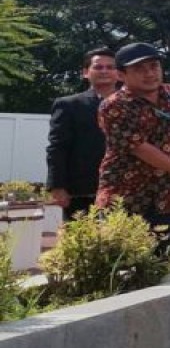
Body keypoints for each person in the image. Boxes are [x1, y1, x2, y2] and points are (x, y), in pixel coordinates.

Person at [95, 43, 170, 238]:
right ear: (121, 75)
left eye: (154, 66)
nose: (150, 73)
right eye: (139, 69)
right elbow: (140, 148)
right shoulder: (114, 105)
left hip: (168, 198)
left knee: (163, 262)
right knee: (120, 262)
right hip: (125, 198)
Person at [46, 47, 119, 219]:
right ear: (86, 72)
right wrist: (57, 186)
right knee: (81, 243)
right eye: (98, 67)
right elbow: (57, 147)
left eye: (110, 67)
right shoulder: (69, 105)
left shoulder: (134, 105)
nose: (105, 71)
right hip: (82, 192)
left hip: (125, 191)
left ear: (119, 73)